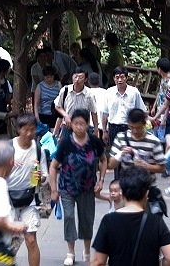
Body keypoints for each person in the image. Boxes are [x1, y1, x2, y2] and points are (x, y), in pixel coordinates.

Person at [49, 108, 107, 266]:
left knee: (86, 220)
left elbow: (103, 160)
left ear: (88, 125)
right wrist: (54, 190)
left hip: (88, 188)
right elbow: (53, 166)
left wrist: (101, 180)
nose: (79, 127)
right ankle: (71, 252)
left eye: (82, 124)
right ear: (71, 124)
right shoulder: (65, 143)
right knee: (68, 217)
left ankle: (87, 250)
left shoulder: (94, 142)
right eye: (76, 124)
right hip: (67, 187)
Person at [91, 166, 170, 266]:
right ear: (146, 193)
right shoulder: (155, 221)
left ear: (123, 193)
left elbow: (98, 261)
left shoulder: (109, 220)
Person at [7, 113, 50, 266]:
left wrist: (40, 178)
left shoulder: (38, 150)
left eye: (32, 129)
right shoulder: (8, 147)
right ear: (19, 129)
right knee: (5, 241)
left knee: (31, 239)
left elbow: (44, 177)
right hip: (7, 198)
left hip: (29, 198)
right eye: (26, 129)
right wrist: (8, 165)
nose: (29, 133)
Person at [107, 107, 167, 216]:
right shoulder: (121, 138)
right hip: (127, 189)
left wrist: (147, 166)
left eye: (138, 127)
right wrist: (120, 154)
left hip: (147, 189)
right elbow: (111, 164)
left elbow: (162, 167)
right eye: (131, 127)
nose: (135, 131)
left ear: (144, 124)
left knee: (147, 222)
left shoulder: (153, 141)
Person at [101, 67, 147, 166]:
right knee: (116, 156)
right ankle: (117, 176)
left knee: (130, 156)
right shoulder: (109, 92)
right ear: (113, 78)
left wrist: (141, 128)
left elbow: (142, 111)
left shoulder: (134, 92)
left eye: (122, 77)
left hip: (130, 128)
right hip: (113, 128)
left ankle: (129, 175)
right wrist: (104, 131)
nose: (120, 80)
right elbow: (105, 113)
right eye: (117, 77)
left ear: (126, 78)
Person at [53, 67, 99, 142]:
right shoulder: (65, 90)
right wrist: (65, 115)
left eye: (80, 77)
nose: (77, 80)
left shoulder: (89, 94)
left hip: (83, 129)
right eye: (75, 77)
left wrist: (96, 129)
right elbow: (57, 106)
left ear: (85, 79)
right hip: (67, 127)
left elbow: (94, 112)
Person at [34, 65, 61, 129]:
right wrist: (37, 117)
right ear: (44, 76)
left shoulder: (58, 84)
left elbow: (62, 100)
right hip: (43, 115)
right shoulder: (40, 86)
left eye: (51, 77)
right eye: (47, 77)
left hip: (55, 114)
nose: (49, 79)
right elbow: (36, 103)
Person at [86, 72, 107, 139]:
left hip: (90, 125)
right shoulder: (106, 92)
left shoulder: (86, 92)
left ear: (88, 81)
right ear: (99, 81)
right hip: (103, 126)